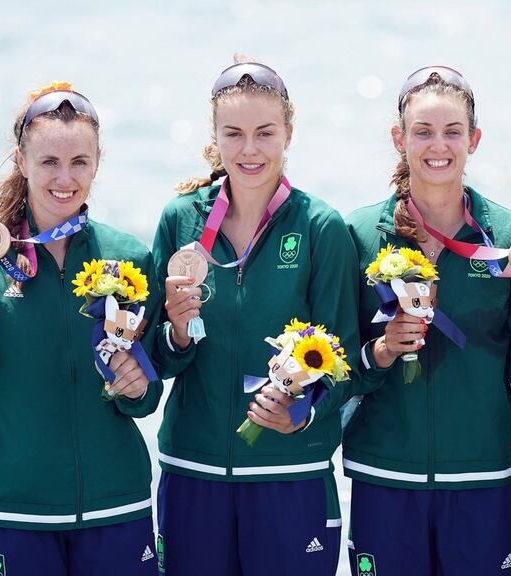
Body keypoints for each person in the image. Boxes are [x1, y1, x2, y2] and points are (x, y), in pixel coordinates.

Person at [0, 83, 162, 576]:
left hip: (115, 504)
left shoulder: (130, 258)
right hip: (10, 508)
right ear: (21, 161)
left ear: (97, 164)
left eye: (80, 162)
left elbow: (145, 397)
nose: (65, 179)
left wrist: (138, 384)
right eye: (49, 161)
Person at [149, 55, 359, 575]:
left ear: (289, 132)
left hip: (292, 474)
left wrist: (304, 411)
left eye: (265, 133)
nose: (249, 150)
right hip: (193, 471)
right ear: (215, 137)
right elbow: (150, 355)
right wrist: (174, 333)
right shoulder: (181, 219)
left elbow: (347, 358)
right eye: (234, 133)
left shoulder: (321, 227)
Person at [344, 66, 511, 575]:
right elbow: (339, 364)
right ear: (399, 138)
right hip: (384, 478)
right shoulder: (359, 233)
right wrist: (384, 349)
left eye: (453, 131)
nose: (439, 145)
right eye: (423, 131)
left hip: (483, 481)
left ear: (474, 139)